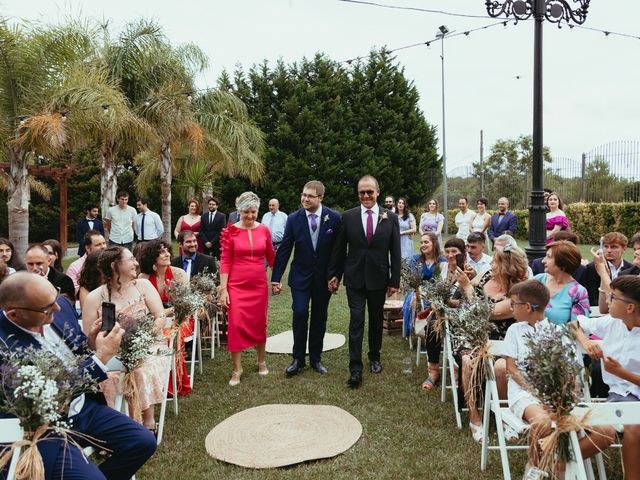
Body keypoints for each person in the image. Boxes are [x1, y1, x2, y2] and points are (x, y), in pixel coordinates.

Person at [0, 272, 156, 480]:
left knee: (143, 442)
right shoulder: (4, 347)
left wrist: (92, 343)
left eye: (55, 298)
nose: (57, 308)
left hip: (85, 408)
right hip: (43, 429)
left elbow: (77, 354)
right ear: (13, 315)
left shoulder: (61, 307)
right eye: (47, 308)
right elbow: (54, 392)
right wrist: (101, 357)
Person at [503, 280, 614, 478]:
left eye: (513, 304)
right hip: (524, 392)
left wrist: (561, 398)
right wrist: (537, 392)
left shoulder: (559, 332)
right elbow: (512, 368)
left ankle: (559, 464)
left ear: (527, 307)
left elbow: (570, 373)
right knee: (542, 422)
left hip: (560, 395)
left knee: (606, 431)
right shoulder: (515, 331)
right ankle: (535, 467)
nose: (511, 308)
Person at [83, 247, 170, 431]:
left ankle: (146, 421)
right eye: (131, 259)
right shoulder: (95, 297)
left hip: (150, 346)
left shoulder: (143, 286)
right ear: (115, 266)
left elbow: (160, 315)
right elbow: (90, 344)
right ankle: (115, 425)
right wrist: (93, 333)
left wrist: (145, 337)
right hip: (111, 352)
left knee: (139, 369)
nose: (136, 263)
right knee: (108, 375)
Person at [328, 175, 401, 389]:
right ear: (358, 193)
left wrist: (394, 280)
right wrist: (335, 275)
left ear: (377, 192)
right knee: (357, 319)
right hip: (355, 278)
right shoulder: (348, 217)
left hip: (379, 278)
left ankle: (375, 357)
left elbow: (395, 252)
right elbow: (340, 250)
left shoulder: (390, 217)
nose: (366, 196)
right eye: (362, 192)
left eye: (370, 192)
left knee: (376, 319)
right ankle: (355, 367)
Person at [457, 245, 529, 440]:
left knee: (501, 365)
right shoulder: (487, 276)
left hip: (504, 339)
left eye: (495, 261)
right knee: (467, 361)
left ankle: (505, 416)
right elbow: (468, 305)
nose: (491, 264)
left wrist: (468, 289)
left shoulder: (519, 291)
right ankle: (474, 416)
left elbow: (489, 313)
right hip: (475, 335)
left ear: (507, 267)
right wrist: (466, 284)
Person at [572, 275, 640, 479]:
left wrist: (621, 372)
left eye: (613, 297)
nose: (607, 302)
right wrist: (585, 342)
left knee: (635, 425)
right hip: (620, 397)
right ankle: (559, 465)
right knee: (627, 426)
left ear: (630, 307)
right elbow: (574, 323)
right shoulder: (612, 323)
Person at [271, 181, 342, 376]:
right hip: (300, 277)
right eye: (303, 195)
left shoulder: (334, 218)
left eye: (310, 196)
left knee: (320, 318)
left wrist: (335, 276)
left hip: (323, 280)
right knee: (300, 313)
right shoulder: (294, 219)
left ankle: (316, 359)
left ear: (320, 197)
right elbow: (285, 249)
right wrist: (276, 278)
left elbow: (339, 252)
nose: (305, 198)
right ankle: (298, 358)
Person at [218, 192, 275, 386]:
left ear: (258, 210)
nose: (250, 216)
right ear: (238, 211)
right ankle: (237, 369)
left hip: (259, 285)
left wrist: (276, 279)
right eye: (245, 212)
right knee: (235, 324)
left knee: (260, 323)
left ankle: (261, 361)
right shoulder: (230, 231)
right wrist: (223, 289)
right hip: (236, 285)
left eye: (253, 212)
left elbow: (271, 255)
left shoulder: (265, 230)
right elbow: (225, 261)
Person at [138, 239, 192, 397]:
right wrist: (158, 315)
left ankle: (172, 384)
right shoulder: (144, 277)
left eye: (167, 250)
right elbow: (142, 307)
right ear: (152, 257)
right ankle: (153, 380)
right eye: (161, 252)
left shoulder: (178, 274)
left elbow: (185, 305)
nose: (167, 254)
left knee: (170, 336)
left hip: (180, 319)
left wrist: (162, 312)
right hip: (154, 321)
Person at [401, 233, 446, 385]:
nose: (423, 244)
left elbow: (443, 282)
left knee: (432, 303)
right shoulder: (416, 260)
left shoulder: (442, 261)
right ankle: (418, 326)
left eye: (426, 241)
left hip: (435, 294)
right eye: (421, 242)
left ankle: (431, 329)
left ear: (434, 243)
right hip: (418, 293)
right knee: (413, 299)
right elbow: (412, 281)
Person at [533, 240, 590, 324]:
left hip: (560, 336)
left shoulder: (578, 292)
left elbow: (578, 328)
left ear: (563, 263)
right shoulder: (538, 280)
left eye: (548, 257)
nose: (543, 261)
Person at [583, 232, 632, 306]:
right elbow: (592, 298)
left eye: (613, 247)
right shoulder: (593, 267)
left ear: (624, 249)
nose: (608, 250)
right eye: (606, 246)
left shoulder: (631, 268)